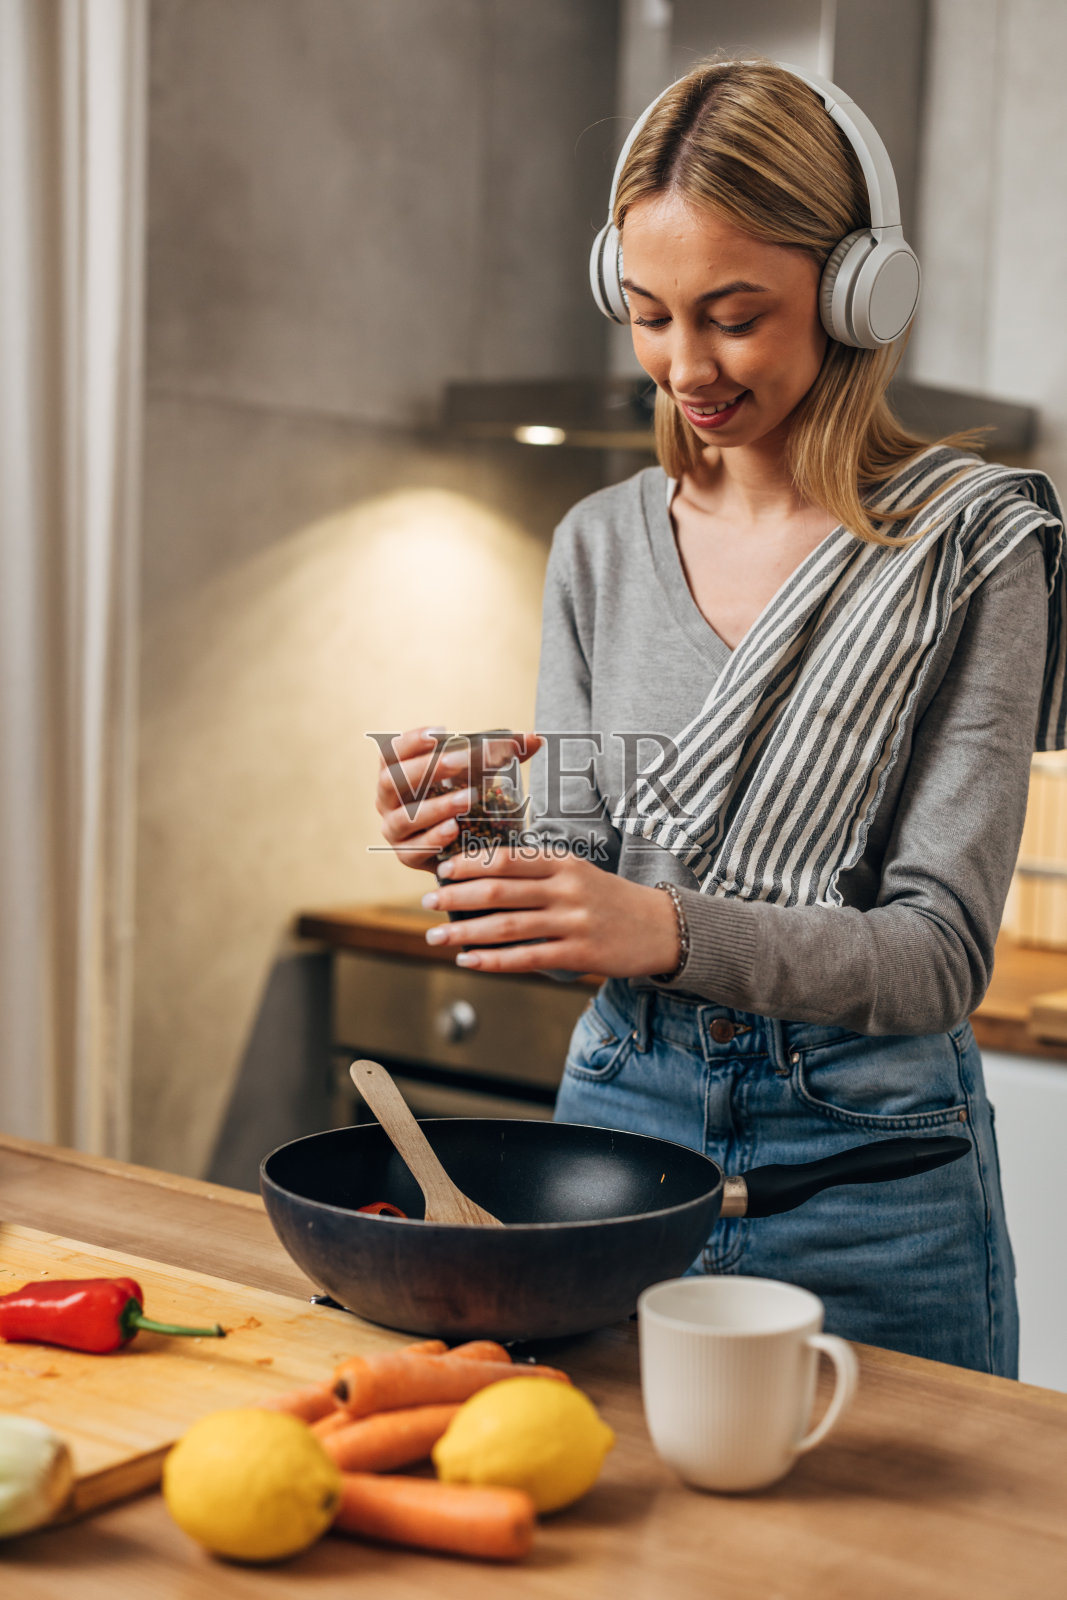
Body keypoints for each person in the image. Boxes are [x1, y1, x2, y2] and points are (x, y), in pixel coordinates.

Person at [375, 59, 1066, 1376]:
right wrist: (479, 831)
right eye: (647, 315)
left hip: (880, 1192)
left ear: (862, 291)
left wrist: (663, 927)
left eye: (734, 316)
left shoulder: (975, 548)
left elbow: (937, 959)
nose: (684, 365)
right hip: (619, 1155)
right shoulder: (597, 544)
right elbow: (583, 877)